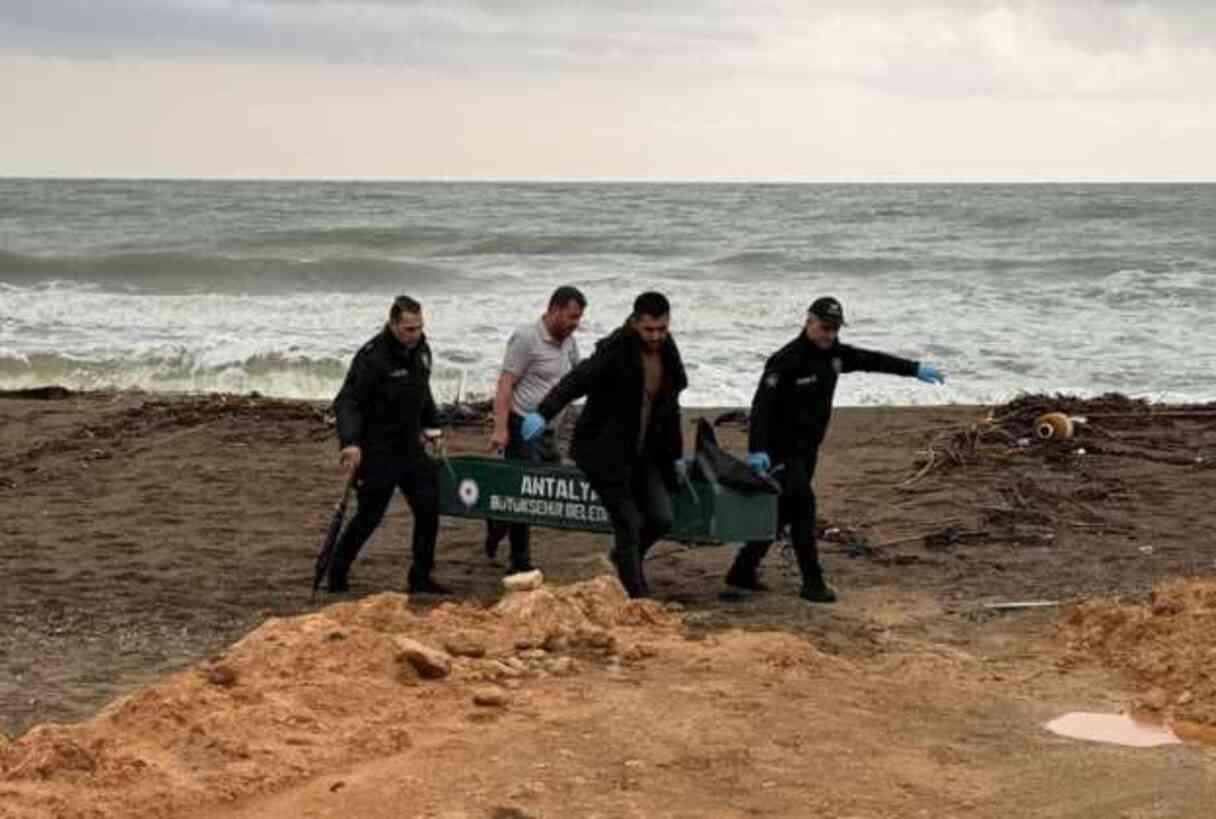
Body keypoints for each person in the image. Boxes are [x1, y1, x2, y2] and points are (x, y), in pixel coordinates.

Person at [725, 296, 946, 603]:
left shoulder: (836, 355)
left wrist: (914, 368)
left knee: (783, 512)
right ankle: (812, 583)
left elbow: (873, 361)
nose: (830, 334)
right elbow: (761, 407)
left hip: (808, 450)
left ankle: (742, 571)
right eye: (825, 327)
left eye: (835, 329)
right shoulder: (785, 359)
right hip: (780, 451)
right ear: (809, 321)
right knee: (803, 508)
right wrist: (757, 450)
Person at [520, 291, 687, 598]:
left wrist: (675, 455)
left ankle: (623, 561)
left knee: (662, 518)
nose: (655, 336)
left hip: (646, 453)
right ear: (635, 323)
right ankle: (637, 595)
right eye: (649, 329)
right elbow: (577, 380)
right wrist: (543, 413)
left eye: (662, 329)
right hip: (605, 451)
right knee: (628, 524)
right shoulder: (616, 349)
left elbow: (670, 408)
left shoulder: (668, 351)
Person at [326, 295, 448, 595]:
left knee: (428, 506)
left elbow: (422, 391)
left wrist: (432, 427)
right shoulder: (372, 357)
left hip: (410, 446)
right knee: (369, 516)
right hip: (378, 450)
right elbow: (348, 402)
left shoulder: (421, 349)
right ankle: (336, 572)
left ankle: (420, 577)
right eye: (408, 329)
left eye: (419, 327)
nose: (415, 335)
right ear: (393, 324)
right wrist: (350, 442)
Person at [484, 286, 587, 573]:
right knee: (524, 495)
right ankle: (519, 562)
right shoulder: (526, 337)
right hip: (522, 426)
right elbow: (505, 383)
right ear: (553, 310)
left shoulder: (569, 341)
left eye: (578, 318)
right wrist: (501, 428)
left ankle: (496, 521)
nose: (574, 324)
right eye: (571, 317)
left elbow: (578, 377)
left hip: (549, 431)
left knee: (549, 488)